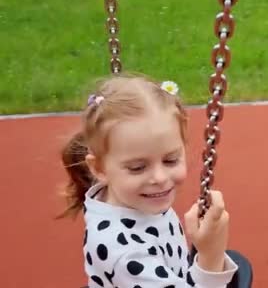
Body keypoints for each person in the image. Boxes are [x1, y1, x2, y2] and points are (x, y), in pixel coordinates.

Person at [58, 74, 238, 287]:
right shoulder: (123, 253)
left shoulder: (131, 198)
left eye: (170, 160)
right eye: (137, 168)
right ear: (99, 168)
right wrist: (211, 257)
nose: (160, 178)